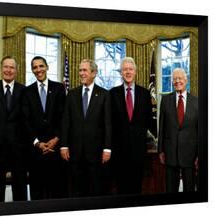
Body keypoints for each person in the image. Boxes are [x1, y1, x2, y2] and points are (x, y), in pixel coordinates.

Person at [60, 59, 112, 197]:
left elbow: (108, 123)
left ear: (94, 73)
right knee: (77, 188)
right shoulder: (72, 94)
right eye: (80, 70)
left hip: (95, 152)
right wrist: (64, 145)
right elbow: (66, 121)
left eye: (85, 70)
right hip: (75, 151)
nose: (81, 73)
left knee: (95, 188)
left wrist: (107, 148)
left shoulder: (104, 94)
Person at [21, 56, 67, 200]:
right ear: (32, 70)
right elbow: (25, 121)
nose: (38, 70)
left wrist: (56, 138)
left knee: (56, 191)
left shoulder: (59, 88)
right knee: (37, 192)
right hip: (36, 151)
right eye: (35, 67)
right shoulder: (27, 91)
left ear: (47, 67)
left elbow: (64, 117)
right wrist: (37, 143)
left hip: (55, 149)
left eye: (41, 66)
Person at [0, 56, 27, 202]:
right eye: (6, 67)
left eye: (12, 67)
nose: (8, 70)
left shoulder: (24, 91)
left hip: (18, 150)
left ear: (17, 70)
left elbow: (27, 121)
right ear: (1, 68)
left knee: (20, 191)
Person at [110, 57, 153, 195]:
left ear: (135, 72)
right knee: (121, 188)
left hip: (138, 150)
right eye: (124, 69)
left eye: (130, 69)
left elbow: (149, 121)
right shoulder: (112, 94)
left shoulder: (145, 94)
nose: (127, 72)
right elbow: (109, 122)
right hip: (119, 151)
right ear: (121, 73)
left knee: (137, 187)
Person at [158, 68, 198, 193]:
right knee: (171, 190)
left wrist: (200, 154)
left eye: (180, 78)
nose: (177, 81)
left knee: (190, 189)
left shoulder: (197, 102)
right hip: (170, 153)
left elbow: (200, 130)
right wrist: (160, 151)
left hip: (190, 154)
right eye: (174, 79)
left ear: (186, 80)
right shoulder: (165, 100)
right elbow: (162, 127)